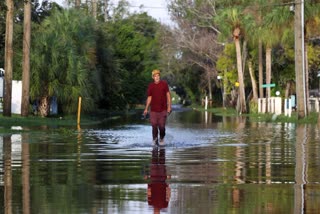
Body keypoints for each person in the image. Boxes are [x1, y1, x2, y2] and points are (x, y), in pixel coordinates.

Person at [143, 69, 171, 146]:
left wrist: (169, 106)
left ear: (159, 76)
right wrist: (146, 109)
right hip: (153, 110)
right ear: (153, 77)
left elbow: (168, 95)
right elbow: (149, 97)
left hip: (163, 110)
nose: (157, 77)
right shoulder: (151, 86)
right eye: (155, 76)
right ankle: (155, 140)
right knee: (154, 125)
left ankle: (161, 138)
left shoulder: (164, 84)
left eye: (158, 75)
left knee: (162, 127)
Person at [144, 147, 171, 213]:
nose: (155, 212)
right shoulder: (164, 205)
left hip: (155, 178)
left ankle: (156, 147)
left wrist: (147, 179)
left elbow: (148, 192)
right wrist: (168, 182)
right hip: (161, 179)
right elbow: (168, 195)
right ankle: (161, 147)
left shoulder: (151, 204)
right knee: (160, 160)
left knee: (155, 160)